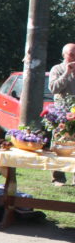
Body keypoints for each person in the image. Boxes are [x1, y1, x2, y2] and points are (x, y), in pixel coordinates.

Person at [48, 43, 75, 184]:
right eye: (71, 53)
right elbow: (53, 88)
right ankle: (58, 178)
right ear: (64, 55)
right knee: (60, 146)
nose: (74, 56)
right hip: (62, 116)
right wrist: (67, 73)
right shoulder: (57, 69)